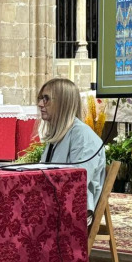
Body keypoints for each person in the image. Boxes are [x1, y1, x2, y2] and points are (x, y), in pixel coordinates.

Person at [37, 77, 106, 215]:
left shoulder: (82, 135)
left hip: (75, 210)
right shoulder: (59, 133)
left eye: (46, 99)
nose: (40, 104)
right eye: (40, 98)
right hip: (53, 202)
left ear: (62, 102)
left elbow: (77, 182)